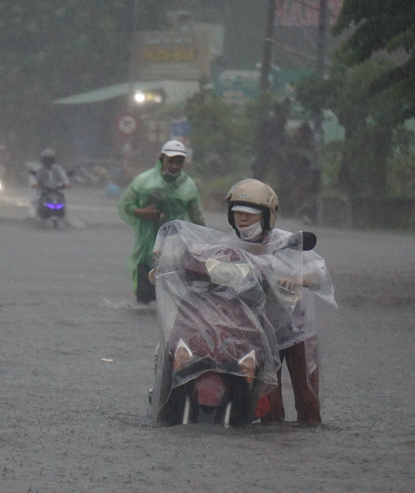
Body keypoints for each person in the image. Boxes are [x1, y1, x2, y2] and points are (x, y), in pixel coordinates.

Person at [224, 178, 334, 426]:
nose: (242, 219)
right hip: (260, 335)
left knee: (308, 402)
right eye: (237, 214)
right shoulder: (229, 247)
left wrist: (300, 279)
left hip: (299, 332)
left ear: (267, 216)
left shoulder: (289, 242)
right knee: (269, 410)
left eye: (249, 215)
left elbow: (321, 273)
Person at [117, 140, 205, 304]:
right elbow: (125, 205)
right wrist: (143, 212)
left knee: (170, 297)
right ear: (161, 159)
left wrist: (202, 245)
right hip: (147, 247)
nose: (174, 166)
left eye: (179, 162)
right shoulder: (144, 181)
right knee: (144, 297)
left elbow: (197, 218)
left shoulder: (188, 186)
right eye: (170, 161)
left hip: (175, 246)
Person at [30, 148, 69, 216]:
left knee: (62, 198)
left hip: (56, 191)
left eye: (50, 160)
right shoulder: (40, 169)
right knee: (35, 200)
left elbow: (63, 177)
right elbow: (34, 178)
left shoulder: (57, 169)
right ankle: (35, 215)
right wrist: (35, 184)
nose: (48, 162)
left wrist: (66, 183)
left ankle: (62, 214)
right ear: (43, 160)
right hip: (43, 191)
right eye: (46, 160)